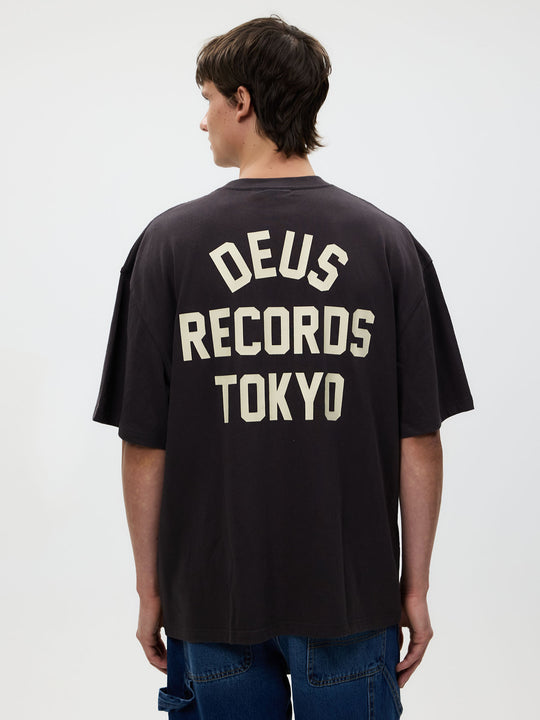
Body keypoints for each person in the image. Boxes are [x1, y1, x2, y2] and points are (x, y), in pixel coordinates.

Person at [92, 15, 474, 720]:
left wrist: (150, 589)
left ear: (242, 102)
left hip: (211, 597)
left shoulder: (167, 246)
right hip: (352, 598)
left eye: (208, 99)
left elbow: (144, 442)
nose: (203, 120)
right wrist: (414, 588)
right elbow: (419, 437)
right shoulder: (388, 245)